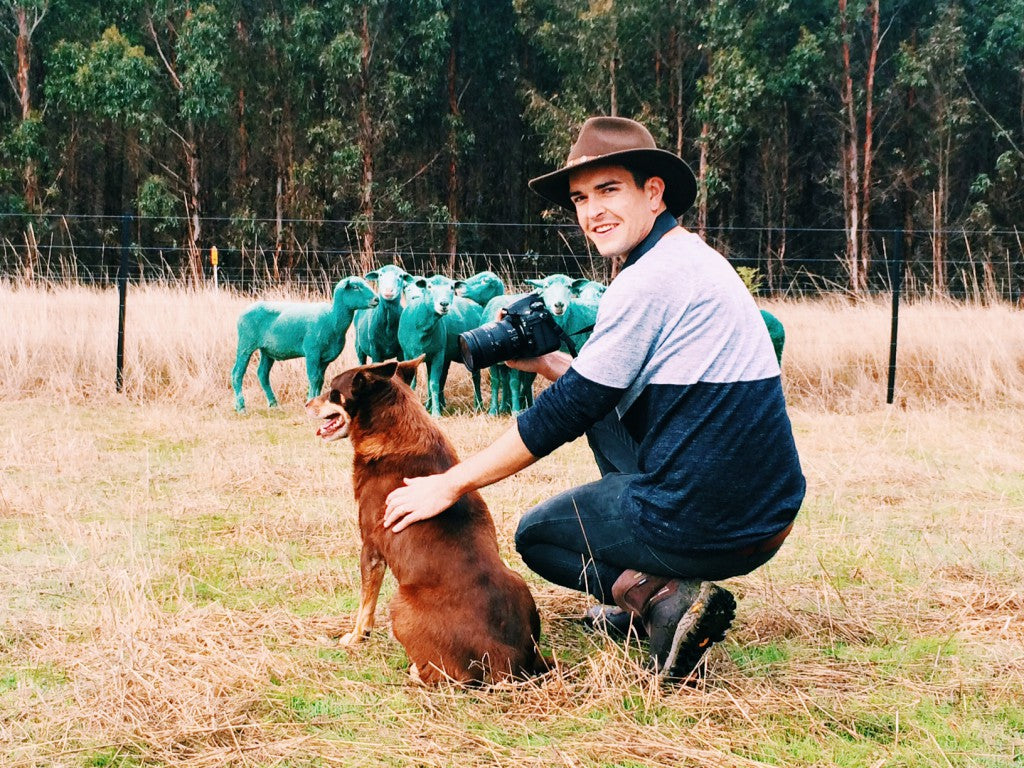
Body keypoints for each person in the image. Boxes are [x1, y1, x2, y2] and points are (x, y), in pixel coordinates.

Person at [383, 116, 805, 681]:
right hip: (765, 513)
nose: (591, 212)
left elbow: (564, 413)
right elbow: (600, 394)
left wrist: (450, 482)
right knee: (600, 414)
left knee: (538, 537)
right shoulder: (693, 259)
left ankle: (660, 599)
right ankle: (652, 594)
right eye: (581, 198)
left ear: (653, 192)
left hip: (707, 519)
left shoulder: (649, 278)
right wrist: (549, 362)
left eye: (609, 190)